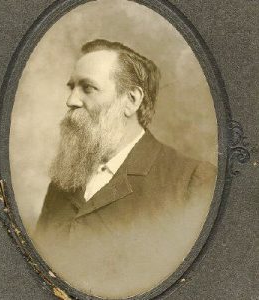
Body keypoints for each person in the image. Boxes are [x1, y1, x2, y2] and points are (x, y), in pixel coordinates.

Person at [34, 39, 216, 298]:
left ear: (131, 100)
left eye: (88, 88)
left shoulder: (192, 181)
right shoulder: (65, 178)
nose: (71, 100)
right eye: (72, 87)